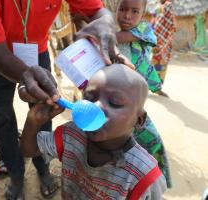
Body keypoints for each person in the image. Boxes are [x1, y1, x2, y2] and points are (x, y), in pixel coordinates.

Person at [0, 0, 132, 199]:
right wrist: (25, 73)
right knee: (2, 119)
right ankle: (16, 176)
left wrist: (106, 20)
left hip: (36, 51)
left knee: (44, 113)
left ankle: (43, 169)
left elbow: (97, 10)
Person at [20, 64, 167, 199]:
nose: (96, 106)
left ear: (139, 120)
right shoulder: (72, 134)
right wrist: (33, 121)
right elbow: (29, 150)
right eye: (90, 98)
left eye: (114, 102)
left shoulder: (144, 177)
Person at [115, 0, 172, 188]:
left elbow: (119, 37)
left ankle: (157, 178)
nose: (127, 15)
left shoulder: (145, 29)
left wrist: (95, 31)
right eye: (122, 9)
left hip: (136, 96)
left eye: (134, 11)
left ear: (143, 13)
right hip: (117, 97)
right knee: (118, 136)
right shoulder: (110, 29)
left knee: (151, 139)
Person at [151, 0, 176, 97]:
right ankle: (157, 88)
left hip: (157, 39)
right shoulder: (165, 5)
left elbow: (155, 23)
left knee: (155, 63)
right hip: (162, 40)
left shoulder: (160, 6)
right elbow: (171, 24)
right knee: (160, 64)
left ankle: (154, 87)